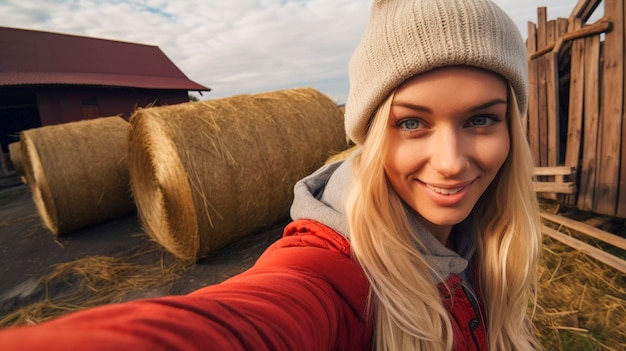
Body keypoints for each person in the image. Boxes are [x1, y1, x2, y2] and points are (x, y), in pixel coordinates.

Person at [0, 0, 541, 350]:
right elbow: (251, 318)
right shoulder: (332, 273)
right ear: (371, 134)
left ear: (512, 128)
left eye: (481, 119)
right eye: (412, 122)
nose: (451, 161)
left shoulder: (493, 244)